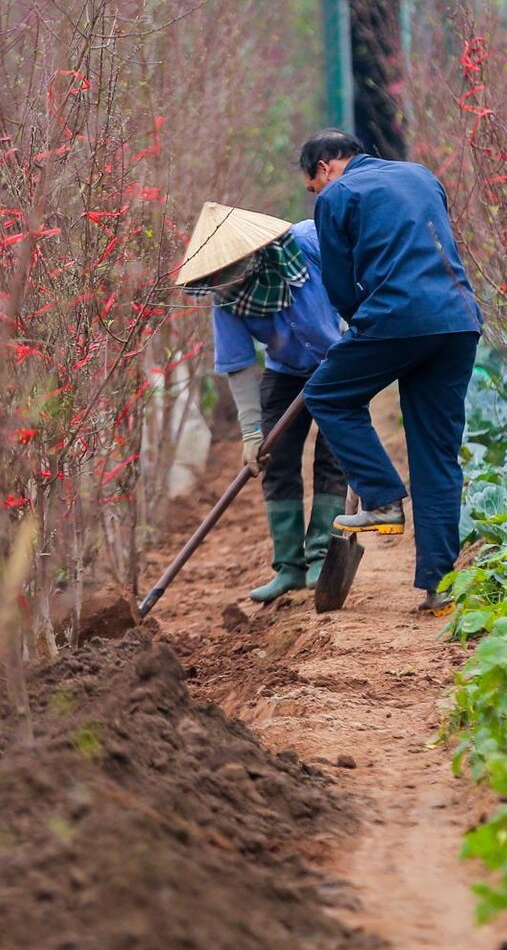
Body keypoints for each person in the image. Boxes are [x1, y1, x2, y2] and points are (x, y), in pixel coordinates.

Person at [296, 130, 483, 613]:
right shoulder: (422, 175)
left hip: (397, 317)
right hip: (458, 320)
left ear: (323, 168)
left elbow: (340, 285)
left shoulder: (337, 195)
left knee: (329, 396)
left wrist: (361, 328)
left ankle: (381, 499)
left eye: (311, 187)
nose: (316, 194)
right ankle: (440, 589)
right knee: (437, 454)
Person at [175, 201, 347, 603]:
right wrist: (252, 433)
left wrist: (356, 332)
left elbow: (357, 280)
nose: (228, 280)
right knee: (274, 456)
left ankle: (322, 555)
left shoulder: (308, 243)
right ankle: (289, 567)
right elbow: (238, 365)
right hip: (285, 369)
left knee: (336, 450)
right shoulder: (228, 301)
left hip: (341, 360)